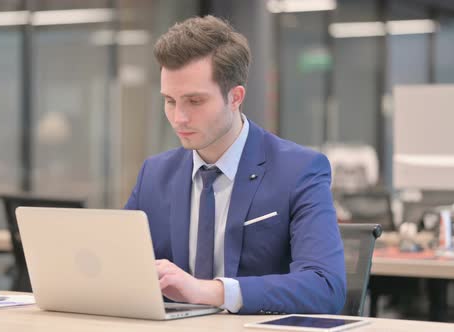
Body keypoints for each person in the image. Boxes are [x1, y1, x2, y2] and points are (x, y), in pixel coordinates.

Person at [124, 15, 346, 315]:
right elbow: (118, 268)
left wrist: (211, 291)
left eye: (195, 101)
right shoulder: (155, 174)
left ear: (235, 97)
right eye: (170, 101)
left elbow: (325, 287)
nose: (179, 118)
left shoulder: (299, 171)